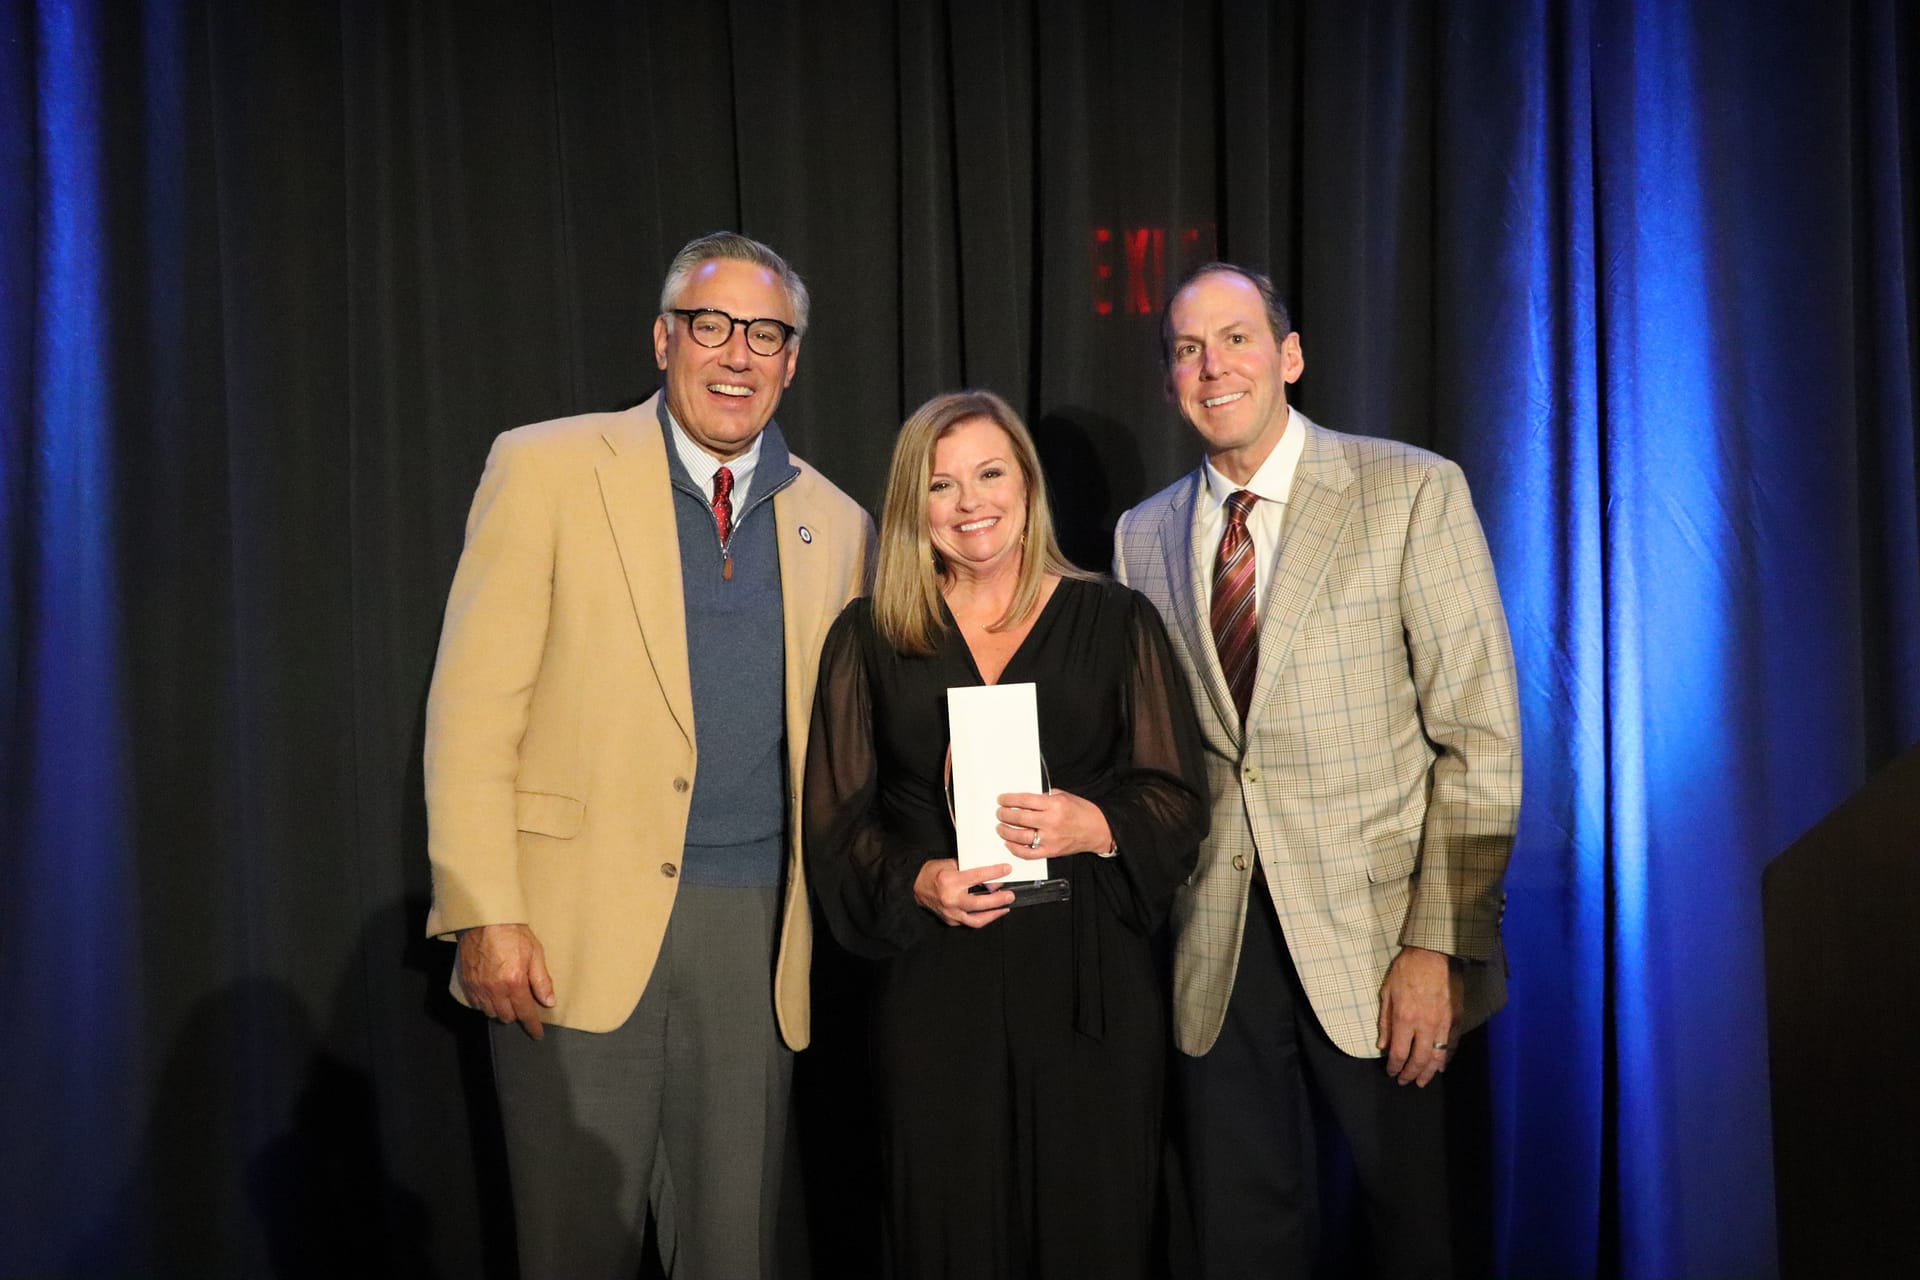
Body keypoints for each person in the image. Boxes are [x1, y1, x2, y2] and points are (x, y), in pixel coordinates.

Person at [423, 230, 872, 1279]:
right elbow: (472, 707)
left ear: (793, 358)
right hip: (564, 928)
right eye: (711, 325)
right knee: (570, 1249)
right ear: (663, 338)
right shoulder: (544, 465)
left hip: (754, 934)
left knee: (734, 1254)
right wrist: (484, 907)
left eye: (766, 334)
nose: (737, 354)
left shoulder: (838, 523)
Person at [1113, 263, 1522, 1278]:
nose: (1214, 366)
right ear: (1170, 379)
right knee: (1240, 1243)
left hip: (1386, 949)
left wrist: (1441, 943)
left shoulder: (1411, 489)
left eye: (1237, 339)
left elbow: (1481, 737)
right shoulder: (1141, 534)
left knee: (1418, 1236)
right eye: (1188, 349)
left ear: (1289, 356)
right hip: (1217, 944)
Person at [804, 389, 1209, 1279]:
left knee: (1092, 1225)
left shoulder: (1114, 620)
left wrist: (1096, 822)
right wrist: (916, 880)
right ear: (915, 505)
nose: (970, 503)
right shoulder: (872, 635)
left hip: (1085, 978)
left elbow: (1180, 799)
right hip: (933, 982)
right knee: (946, 1226)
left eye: (990, 474)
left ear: (1027, 486)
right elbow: (836, 825)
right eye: (942, 485)